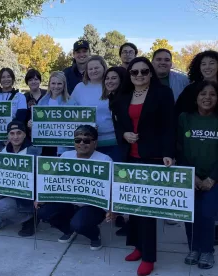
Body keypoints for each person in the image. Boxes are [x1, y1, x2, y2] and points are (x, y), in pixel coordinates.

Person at [113, 57, 175, 276]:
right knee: (133, 207)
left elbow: (170, 125)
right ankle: (138, 247)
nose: (139, 75)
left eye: (144, 71)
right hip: (130, 157)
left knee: (147, 209)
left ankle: (149, 257)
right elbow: (118, 123)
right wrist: (124, 134)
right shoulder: (123, 96)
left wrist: (168, 153)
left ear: (151, 73)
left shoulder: (163, 94)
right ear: (129, 75)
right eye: (134, 72)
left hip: (154, 157)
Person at [42, 125, 112, 250]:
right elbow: (54, 179)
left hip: (92, 205)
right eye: (77, 140)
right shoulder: (65, 155)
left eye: (86, 140)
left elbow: (111, 187)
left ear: (94, 143)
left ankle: (95, 236)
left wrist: (111, 209)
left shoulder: (105, 160)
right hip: (68, 201)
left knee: (79, 224)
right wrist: (41, 197)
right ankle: (68, 230)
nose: (81, 143)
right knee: (44, 212)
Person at [177, 81, 218, 270]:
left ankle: (207, 251)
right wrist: (190, 174)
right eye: (203, 94)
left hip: (213, 179)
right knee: (190, 213)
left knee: (208, 214)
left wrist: (212, 177)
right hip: (190, 176)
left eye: (212, 94)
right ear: (196, 97)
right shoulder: (185, 118)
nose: (207, 98)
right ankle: (194, 248)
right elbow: (179, 149)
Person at [0, 120, 41, 234]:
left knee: (0, 207)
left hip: (26, 200)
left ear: (25, 134)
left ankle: (30, 218)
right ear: (8, 135)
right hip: (8, 196)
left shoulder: (33, 152)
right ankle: (13, 215)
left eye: (19, 133)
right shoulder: (3, 151)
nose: (15, 137)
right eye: (12, 133)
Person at [70, 56, 120, 162]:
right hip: (86, 143)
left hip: (112, 141)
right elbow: (70, 112)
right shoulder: (80, 87)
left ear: (104, 68)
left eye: (96, 68)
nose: (93, 71)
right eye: (90, 69)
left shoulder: (111, 85)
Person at [102, 66, 129, 235]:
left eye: (114, 78)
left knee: (123, 182)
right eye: (108, 79)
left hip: (126, 147)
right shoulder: (114, 97)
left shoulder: (124, 98)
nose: (110, 81)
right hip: (121, 144)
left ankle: (130, 221)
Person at [31, 71, 76, 157]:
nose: (56, 86)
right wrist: (32, 123)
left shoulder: (71, 102)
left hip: (63, 149)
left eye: (59, 84)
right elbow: (37, 125)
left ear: (64, 85)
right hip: (45, 147)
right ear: (49, 84)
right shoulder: (42, 102)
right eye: (53, 83)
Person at [176, 50, 218, 119]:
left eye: (212, 63)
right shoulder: (190, 90)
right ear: (199, 67)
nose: (207, 67)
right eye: (203, 64)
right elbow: (179, 112)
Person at [24, 69, 46, 136]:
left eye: (36, 79)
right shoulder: (24, 98)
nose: (33, 82)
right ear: (27, 82)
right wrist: (27, 124)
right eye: (30, 80)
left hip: (46, 132)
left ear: (40, 81)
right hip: (29, 135)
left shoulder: (47, 95)